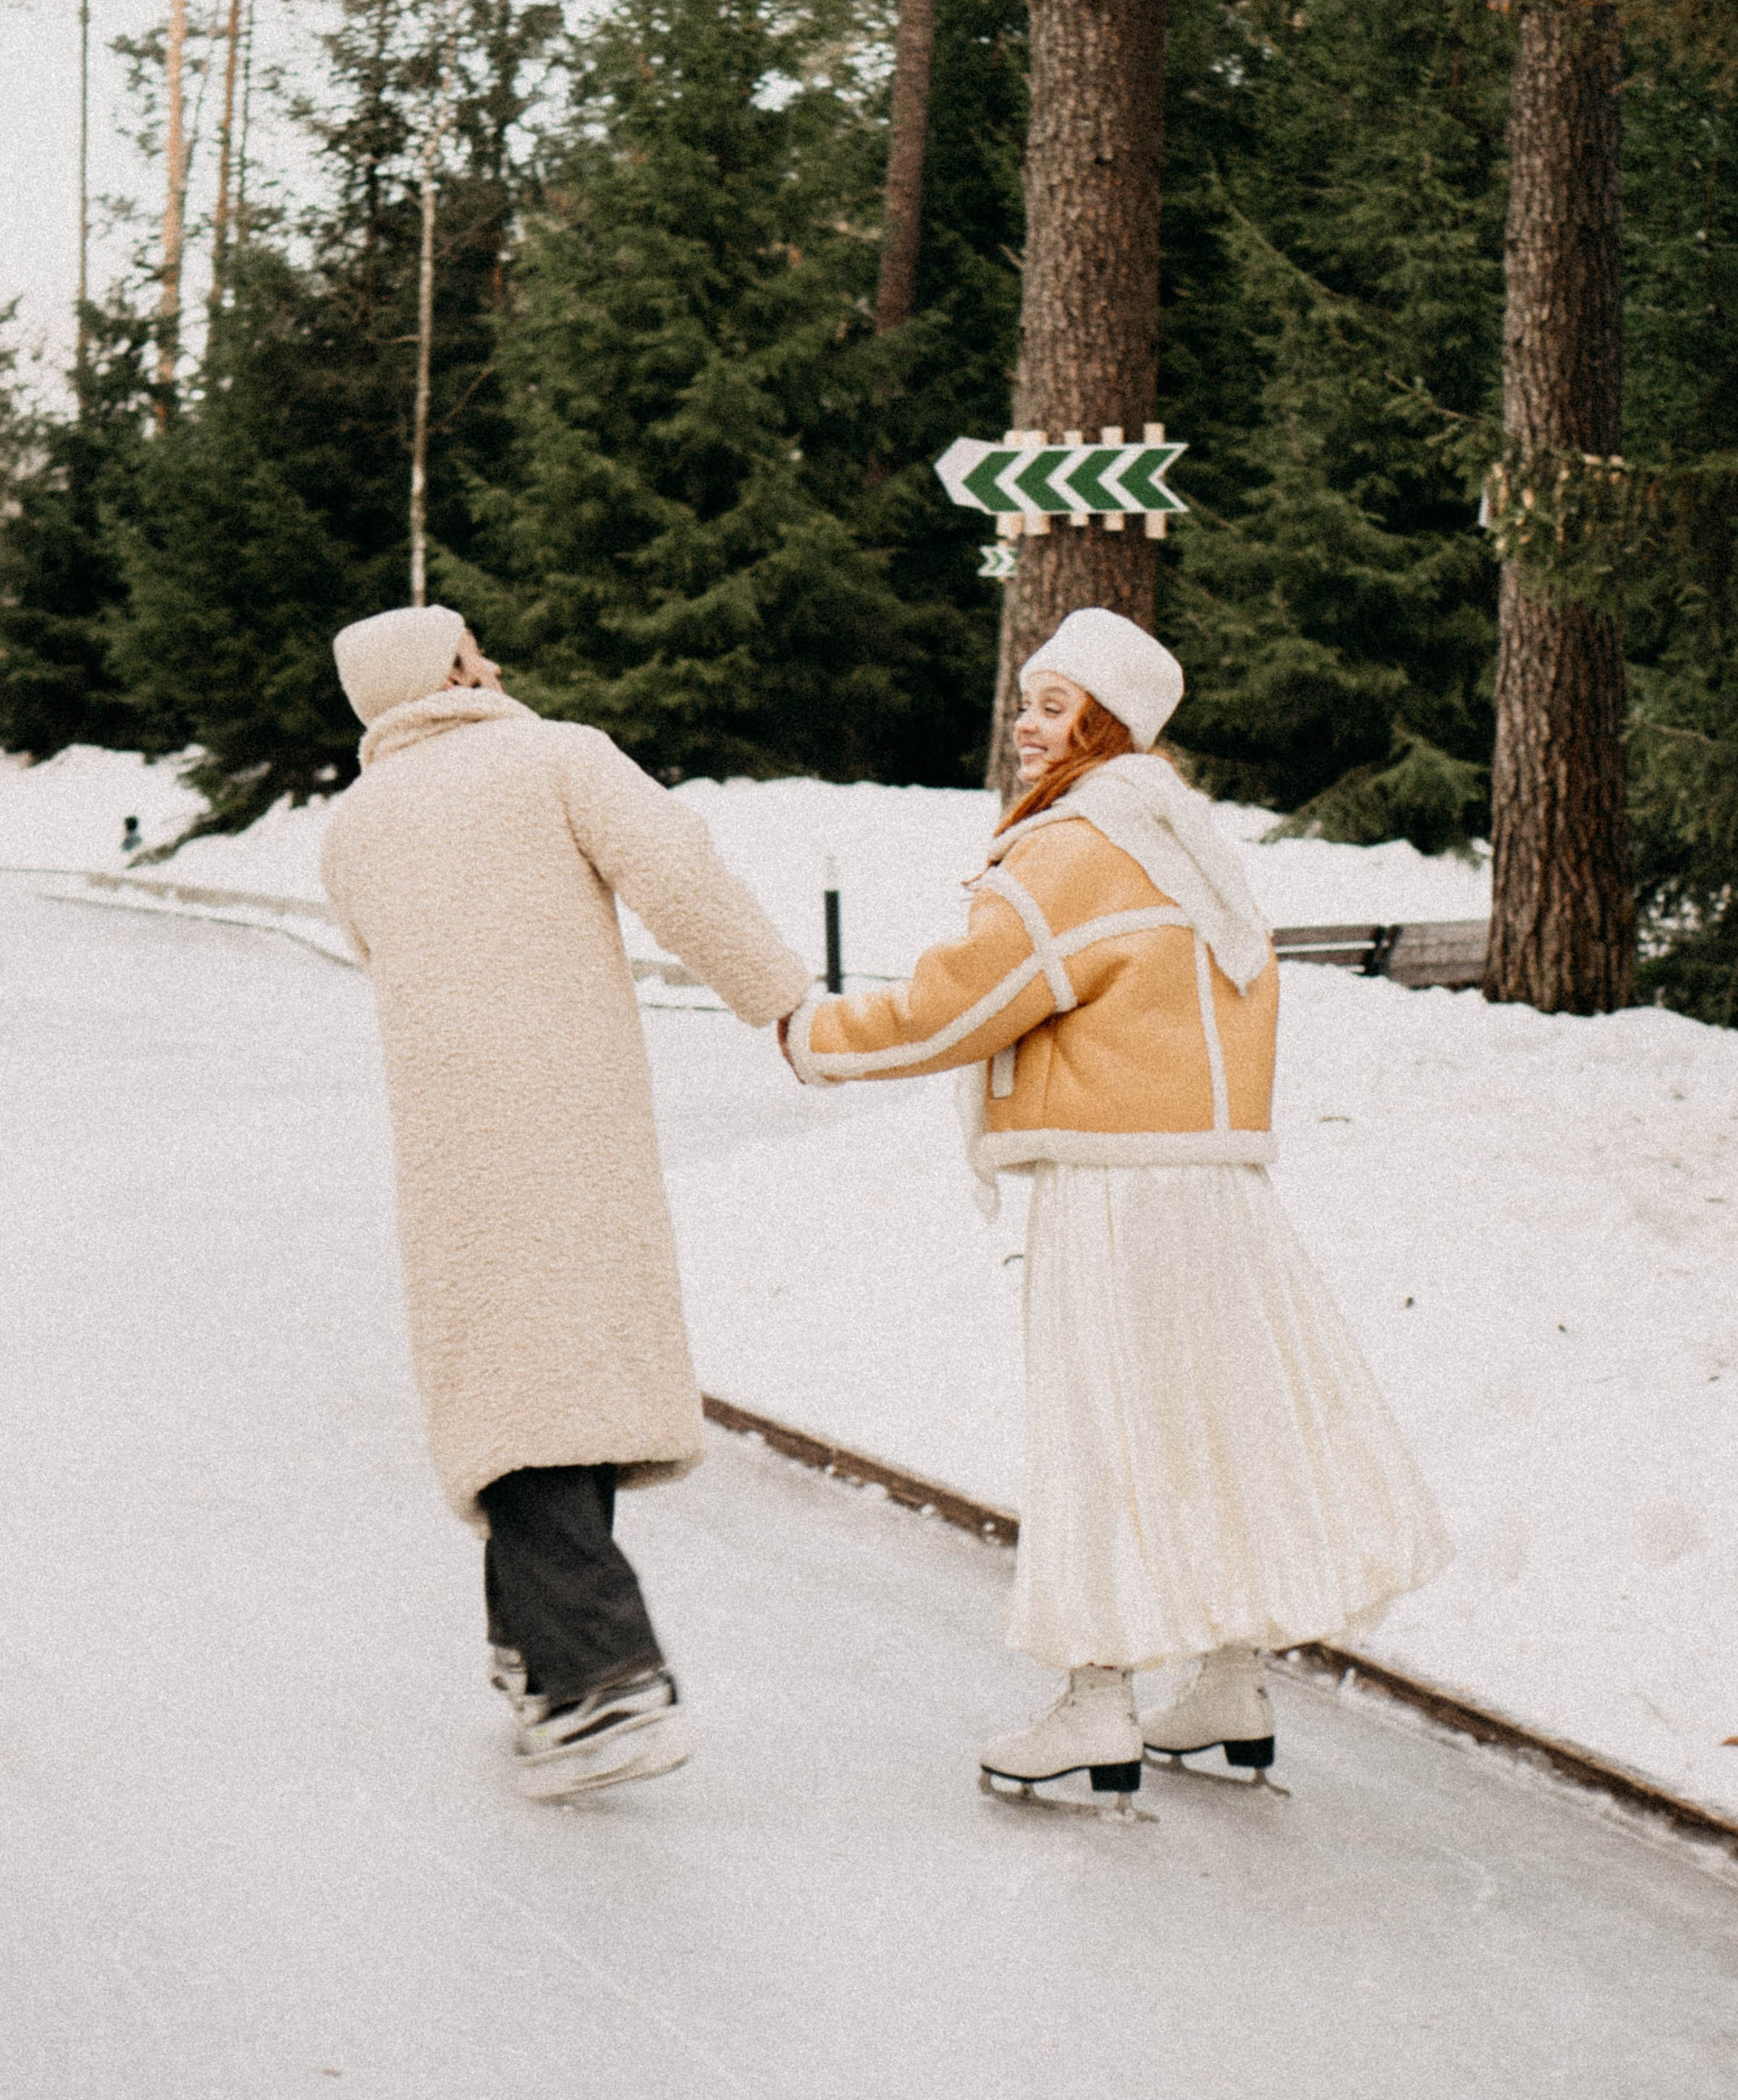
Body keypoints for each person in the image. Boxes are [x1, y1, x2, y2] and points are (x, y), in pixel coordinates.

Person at [784, 607, 1449, 1808]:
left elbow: (954, 1006)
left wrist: (810, 1036)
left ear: (1108, 722)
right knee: (1211, 1421)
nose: (1025, 727)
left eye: (1052, 705)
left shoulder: (1074, 850)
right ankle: (1232, 1680)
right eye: (1027, 701)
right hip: (1215, 1187)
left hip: (1116, 1188)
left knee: (1100, 1431)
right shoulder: (1186, 839)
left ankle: (1097, 1708)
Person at [320, 603, 808, 1800]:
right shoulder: (558, 756)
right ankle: (601, 1684)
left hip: (448, 1138)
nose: (495, 659)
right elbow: (679, 871)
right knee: (566, 1367)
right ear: (451, 670)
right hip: (576, 1116)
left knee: (512, 1371)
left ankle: (537, 1650)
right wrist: (785, 1000)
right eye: (473, 646)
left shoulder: (350, 827)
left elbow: (379, 953)